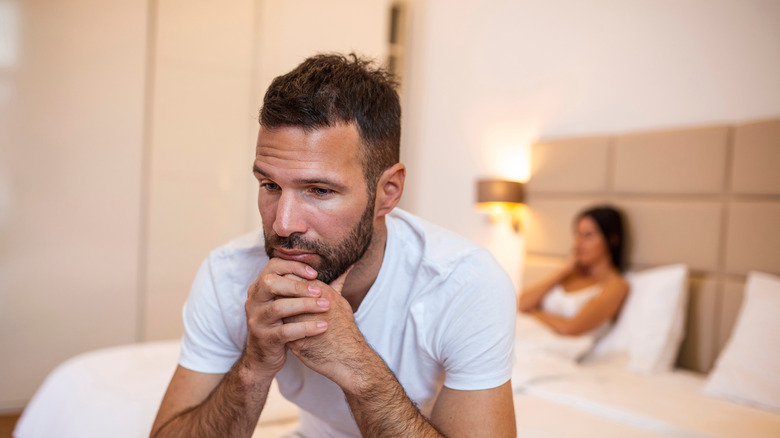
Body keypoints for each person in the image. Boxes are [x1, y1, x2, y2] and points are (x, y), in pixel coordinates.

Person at [151, 53, 517, 438]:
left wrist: (357, 367)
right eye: (270, 185)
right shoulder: (228, 273)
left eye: (319, 190)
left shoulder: (465, 284)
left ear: (387, 192)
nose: (283, 223)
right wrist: (253, 368)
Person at [518, 206, 629, 337]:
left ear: (612, 239)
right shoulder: (570, 275)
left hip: (555, 349)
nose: (578, 243)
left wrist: (534, 313)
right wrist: (563, 271)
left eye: (588, 235)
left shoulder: (616, 286)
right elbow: (521, 303)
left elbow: (570, 328)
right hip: (526, 336)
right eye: (577, 234)